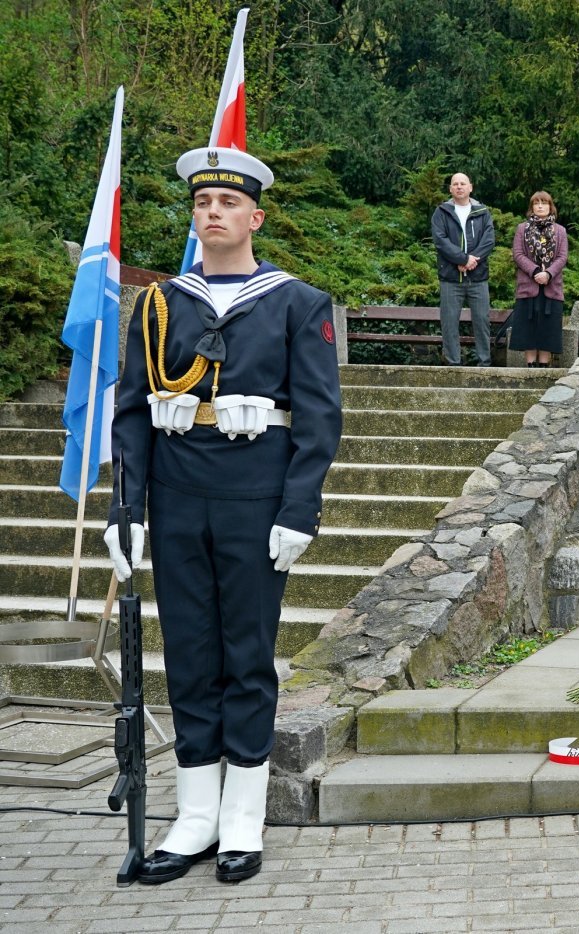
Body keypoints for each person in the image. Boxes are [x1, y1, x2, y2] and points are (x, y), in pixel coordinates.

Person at [105, 146, 342, 884]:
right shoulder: (161, 304)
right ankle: (195, 812)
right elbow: (133, 411)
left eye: (229, 204)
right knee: (188, 654)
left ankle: (243, 813)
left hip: (254, 496)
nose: (214, 213)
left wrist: (299, 507)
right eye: (204, 203)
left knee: (246, 653)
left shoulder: (296, 303)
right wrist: (126, 509)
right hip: (177, 493)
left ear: (255, 217)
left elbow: (319, 416)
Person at [431, 173, 495, 366]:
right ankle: (453, 363)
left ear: (470, 187)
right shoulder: (441, 212)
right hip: (451, 278)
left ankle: (484, 363)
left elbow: (489, 240)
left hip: (478, 277)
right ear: (450, 189)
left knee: (482, 321)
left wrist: (471, 260)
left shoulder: (483, 212)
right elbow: (440, 241)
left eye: (463, 184)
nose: (459, 187)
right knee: (449, 323)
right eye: (455, 184)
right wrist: (463, 259)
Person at [510, 191, 569, 366]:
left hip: (552, 288)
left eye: (544, 203)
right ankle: (530, 368)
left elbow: (562, 257)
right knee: (529, 330)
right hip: (528, 287)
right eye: (537, 203)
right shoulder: (522, 229)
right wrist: (535, 271)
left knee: (548, 330)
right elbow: (518, 254)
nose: (541, 206)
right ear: (532, 207)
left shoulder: (560, 231)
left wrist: (548, 274)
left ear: (551, 207)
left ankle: (543, 368)